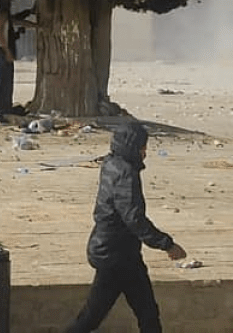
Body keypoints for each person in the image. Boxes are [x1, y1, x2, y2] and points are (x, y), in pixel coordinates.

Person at [65, 124, 187, 333]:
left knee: (146, 312)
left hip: (120, 252)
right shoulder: (126, 174)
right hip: (115, 256)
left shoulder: (111, 162)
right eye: (142, 147)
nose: (144, 152)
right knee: (92, 317)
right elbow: (133, 218)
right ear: (132, 147)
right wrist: (166, 244)